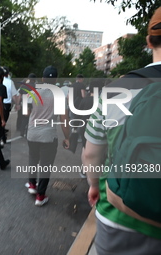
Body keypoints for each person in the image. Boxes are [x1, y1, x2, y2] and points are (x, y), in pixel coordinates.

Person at [82, 8, 161, 254]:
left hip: (121, 217)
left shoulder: (119, 89)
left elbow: (92, 154)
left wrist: (94, 185)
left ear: (149, 42)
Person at [25, 66, 70, 206]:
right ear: (56, 80)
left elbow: (26, 113)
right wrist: (67, 137)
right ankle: (40, 196)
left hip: (32, 133)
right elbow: (64, 119)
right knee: (45, 165)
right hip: (48, 136)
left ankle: (32, 185)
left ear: (43, 78)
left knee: (33, 158)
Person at [2, 66, 18, 143]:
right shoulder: (10, 82)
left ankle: (1, 137)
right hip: (6, 105)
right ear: (8, 74)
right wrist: (17, 104)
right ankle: (2, 138)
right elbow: (14, 95)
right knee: (3, 121)